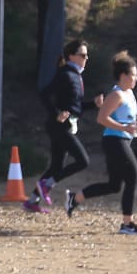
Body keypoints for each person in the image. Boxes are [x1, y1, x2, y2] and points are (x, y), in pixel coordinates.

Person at [68, 50, 137, 235]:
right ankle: (127, 224)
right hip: (115, 141)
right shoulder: (116, 95)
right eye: (133, 75)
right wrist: (125, 128)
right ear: (123, 76)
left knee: (114, 186)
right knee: (133, 178)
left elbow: (125, 118)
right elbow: (102, 118)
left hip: (122, 140)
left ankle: (75, 198)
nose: (136, 78)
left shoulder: (129, 94)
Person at [30, 39, 92, 213]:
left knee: (56, 166)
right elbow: (44, 94)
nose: (86, 58)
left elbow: (76, 106)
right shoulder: (65, 74)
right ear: (71, 56)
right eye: (83, 55)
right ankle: (47, 184)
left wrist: (94, 104)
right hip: (59, 126)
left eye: (87, 55)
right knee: (82, 161)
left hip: (65, 125)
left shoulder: (76, 75)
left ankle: (32, 201)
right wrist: (56, 112)